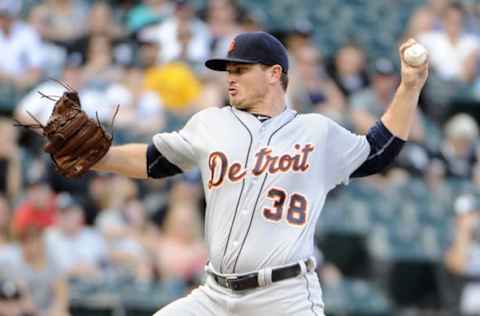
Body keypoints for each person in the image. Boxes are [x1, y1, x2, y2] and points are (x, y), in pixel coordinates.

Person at [91, 31, 429, 315]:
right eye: (229, 71)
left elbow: (378, 152)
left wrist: (409, 88)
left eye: (241, 70)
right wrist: (97, 157)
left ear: (273, 74)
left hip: (284, 297)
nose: (231, 78)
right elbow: (152, 160)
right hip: (214, 295)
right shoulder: (212, 123)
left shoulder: (316, 132)